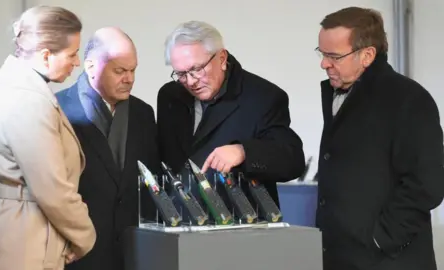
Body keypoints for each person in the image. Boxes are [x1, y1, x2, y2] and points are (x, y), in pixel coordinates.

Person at [0, 5, 96, 270]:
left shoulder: (20, 88)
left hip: (17, 235)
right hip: (18, 245)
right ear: (46, 56)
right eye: (72, 54)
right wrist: (86, 236)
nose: (77, 62)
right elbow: (53, 189)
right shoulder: (29, 100)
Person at [315, 7, 444, 270]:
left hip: (387, 261)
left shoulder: (409, 100)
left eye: (334, 56)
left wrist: (380, 239)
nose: (324, 64)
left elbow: (427, 184)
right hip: (341, 257)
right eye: (322, 53)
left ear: (367, 55)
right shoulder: (337, 92)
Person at [157, 21, 305, 212]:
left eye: (197, 69)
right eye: (181, 74)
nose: (191, 81)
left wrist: (244, 151)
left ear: (221, 58)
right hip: (180, 223)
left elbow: (292, 161)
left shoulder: (263, 97)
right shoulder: (170, 95)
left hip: (238, 227)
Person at [56, 27, 160, 270]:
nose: (130, 79)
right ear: (91, 66)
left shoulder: (143, 114)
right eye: (120, 71)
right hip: (77, 252)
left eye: (133, 70)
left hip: (134, 252)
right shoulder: (58, 110)